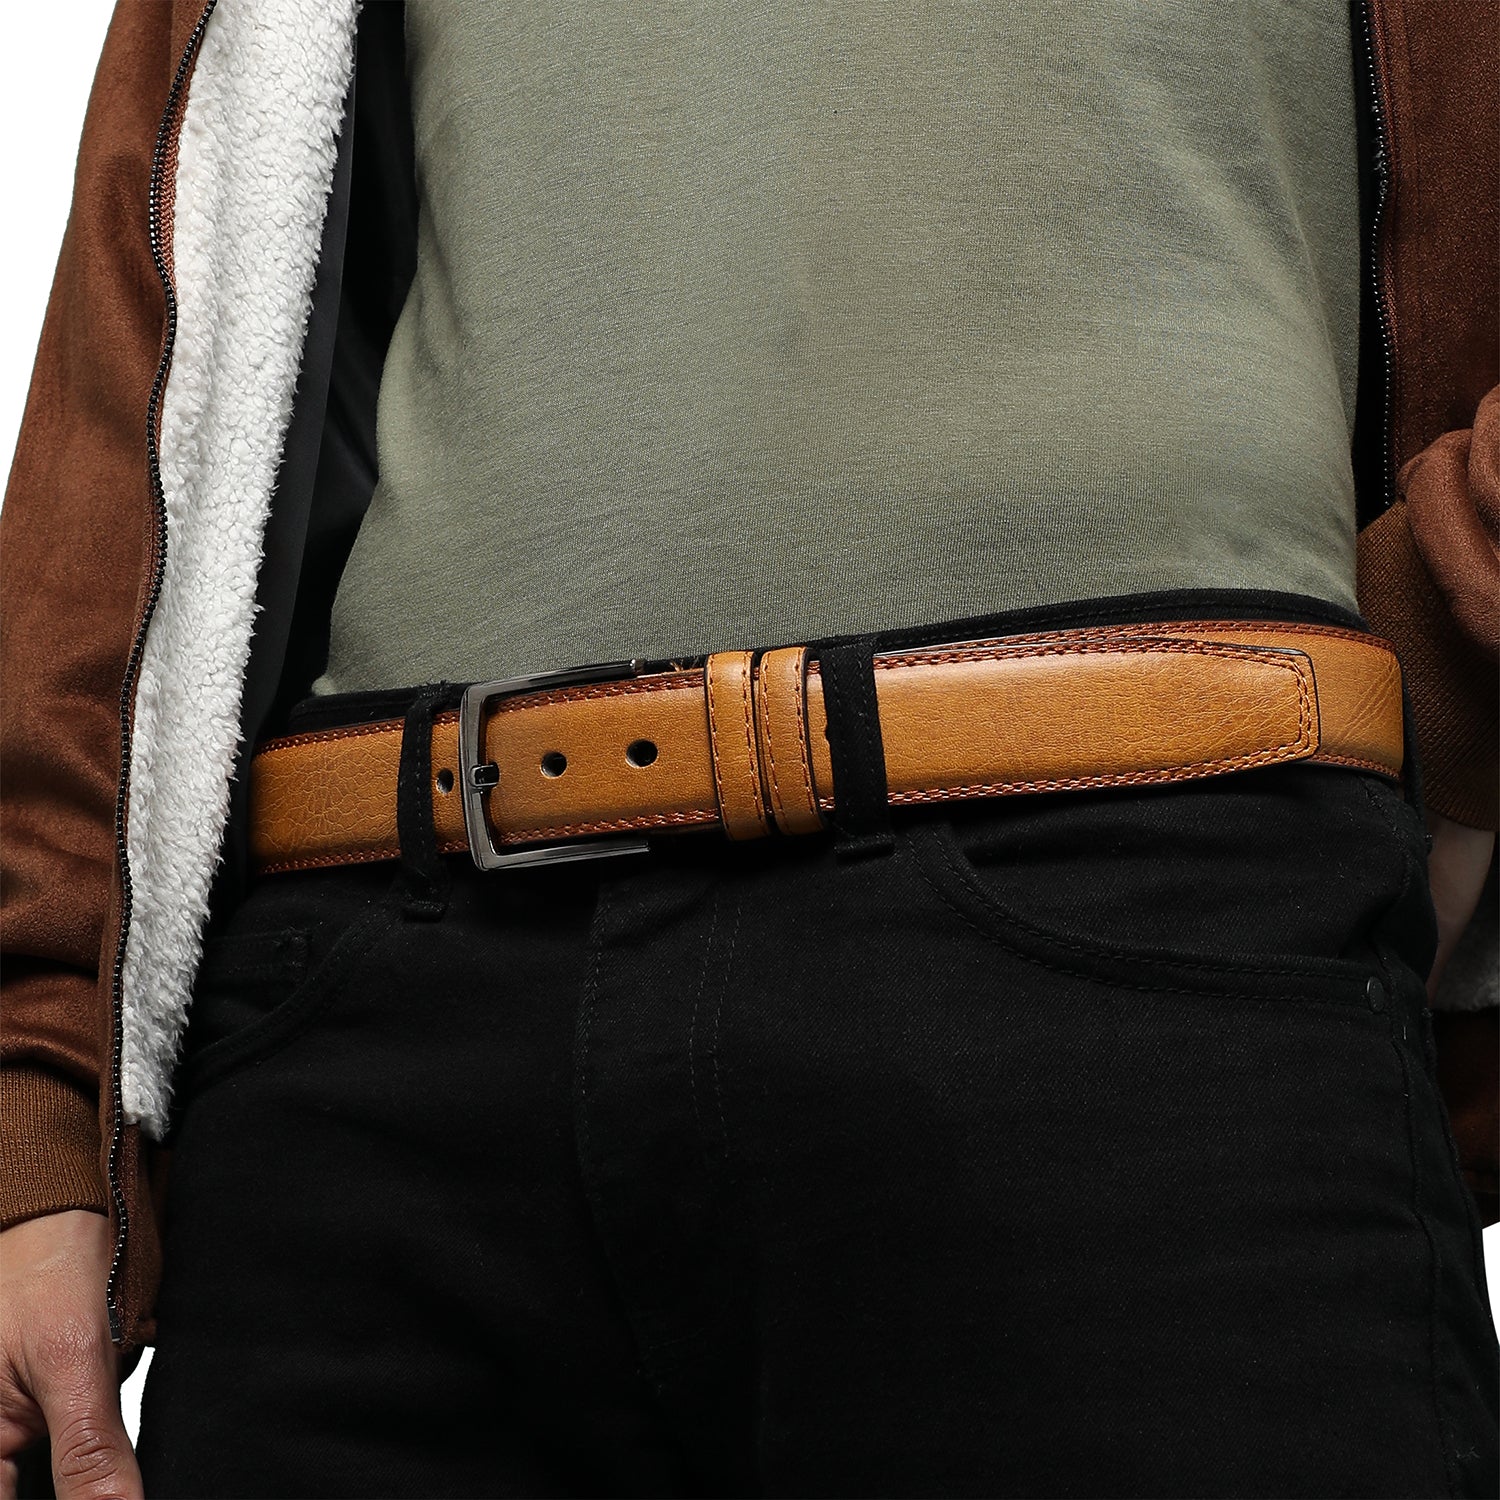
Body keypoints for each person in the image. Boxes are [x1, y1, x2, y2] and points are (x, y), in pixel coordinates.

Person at [2, 1, 1496, 1495]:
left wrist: (1434, 672)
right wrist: (35, 1100)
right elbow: (153, 283)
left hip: (1152, 928)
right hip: (381, 1002)